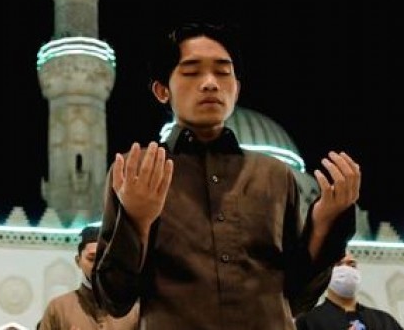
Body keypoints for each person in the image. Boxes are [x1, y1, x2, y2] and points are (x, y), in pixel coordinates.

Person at [92, 21, 361, 329]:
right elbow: (113, 299)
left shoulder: (274, 175)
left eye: (223, 72)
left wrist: (324, 222)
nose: (210, 83)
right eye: (191, 72)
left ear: (237, 88)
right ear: (162, 90)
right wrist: (136, 222)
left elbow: (297, 297)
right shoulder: (137, 173)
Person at [38, 225, 139, 330]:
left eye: (105, 259)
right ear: (78, 261)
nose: (99, 265)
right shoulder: (58, 308)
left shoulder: (133, 311)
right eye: (92, 259)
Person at [294, 251, 404, 329]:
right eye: (338, 264)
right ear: (325, 274)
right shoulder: (309, 322)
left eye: (352, 265)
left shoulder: (384, 321)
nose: (347, 269)